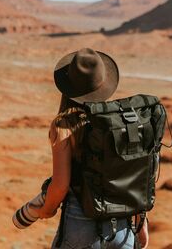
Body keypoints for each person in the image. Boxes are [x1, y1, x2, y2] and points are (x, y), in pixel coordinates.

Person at [33, 48, 149, 249]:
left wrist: (45, 210)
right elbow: (133, 178)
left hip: (81, 229)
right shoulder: (121, 124)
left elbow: (60, 185)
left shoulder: (64, 125)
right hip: (122, 231)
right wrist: (142, 223)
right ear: (104, 85)